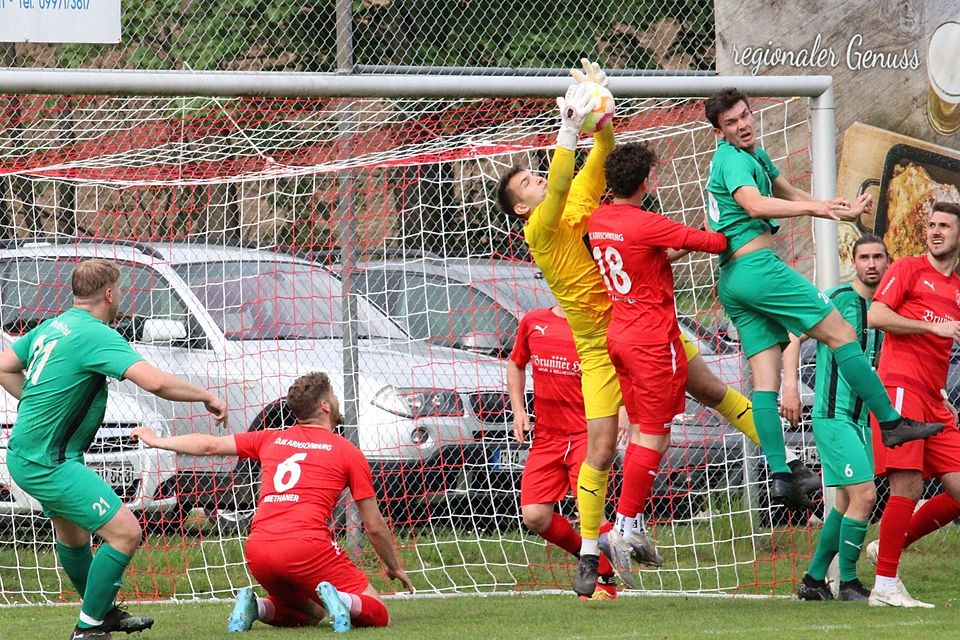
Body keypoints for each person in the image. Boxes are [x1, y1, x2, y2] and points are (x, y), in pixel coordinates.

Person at [703, 88, 943, 511]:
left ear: (750, 113)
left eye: (744, 116)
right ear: (719, 131)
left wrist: (835, 207)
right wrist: (818, 211)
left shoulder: (752, 155)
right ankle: (890, 422)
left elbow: (784, 189)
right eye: (731, 123)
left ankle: (780, 473)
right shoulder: (733, 159)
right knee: (842, 331)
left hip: (734, 280)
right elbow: (754, 204)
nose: (742, 124)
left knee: (765, 377)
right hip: (758, 270)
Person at [0, 258, 228, 640]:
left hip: (32, 454)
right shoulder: (97, 334)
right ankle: (89, 629)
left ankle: (102, 612)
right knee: (125, 533)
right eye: (119, 291)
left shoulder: (51, 327)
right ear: (109, 294)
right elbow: (154, 382)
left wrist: (34, 401)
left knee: (72, 538)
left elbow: (5, 366)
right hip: (47, 462)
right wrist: (206, 396)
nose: (120, 297)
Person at [132, 371, 414, 632]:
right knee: (378, 611)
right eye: (335, 397)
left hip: (260, 549)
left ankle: (257, 607)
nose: (339, 402)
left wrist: (158, 441)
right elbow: (374, 525)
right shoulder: (347, 452)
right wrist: (393, 566)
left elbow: (210, 445)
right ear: (325, 406)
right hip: (307, 547)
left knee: (311, 612)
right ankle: (340, 598)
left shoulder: (271, 438)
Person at [585, 141, 729, 580]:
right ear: (646, 181)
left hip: (619, 338)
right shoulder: (647, 223)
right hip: (653, 341)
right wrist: (730, 218)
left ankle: (634, 524)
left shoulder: (599, 220)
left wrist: (667, 248)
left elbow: (644, 257)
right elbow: (715, 241)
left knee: (647, 436)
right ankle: (624, 528)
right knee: (655, 438)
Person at [782, 235, 889, 602]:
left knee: (845, 502)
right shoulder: (840, 300)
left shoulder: (882, 309)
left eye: (878, 257)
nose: (871, 263)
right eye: (864, 257)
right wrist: (790, 387)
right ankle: (848, 582)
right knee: (864, 495)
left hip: (859, 419)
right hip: (833, 415)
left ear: (887, 263)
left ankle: (813, 581)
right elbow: (793, 334)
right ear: (853, 261)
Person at [865, 201, 960, 608]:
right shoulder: (906, 267)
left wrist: (941, 394)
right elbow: (876, 315)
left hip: (933, 399)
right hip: (899, 389)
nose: (935, 231)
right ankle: (885, 586)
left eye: (945, 226)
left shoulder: (957, 288)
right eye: (932, 225)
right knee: (907, 483)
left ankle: (890, 544)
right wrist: (930, 325)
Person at [507, 303, 619, 599]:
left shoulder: (599, 323)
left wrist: (625, 415)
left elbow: (623, 370)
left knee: (590, 513)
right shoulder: (533, 322)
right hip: (546, 435)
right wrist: (519, 411)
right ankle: (593, 558)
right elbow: (516, 363)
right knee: (534, 516)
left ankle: (604, 581)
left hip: (587, 433)